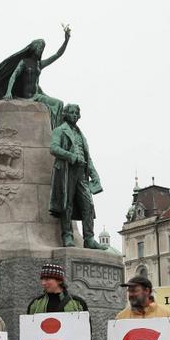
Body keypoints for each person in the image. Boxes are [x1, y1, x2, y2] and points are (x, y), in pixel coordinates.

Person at [0, 28, 71, 128]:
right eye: (39, 47)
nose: (40, 49)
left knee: (59, 103)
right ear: (33, 48)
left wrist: (66, 40)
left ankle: (56, 132)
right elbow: (14, 75)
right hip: (27, 96)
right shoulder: (24, 62)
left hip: (37, 95)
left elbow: (57, 55)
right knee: (55, 104)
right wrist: (8, 92)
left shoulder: (39, 64)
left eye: (42, 48)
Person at [48, 104, 106, 249]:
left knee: (88, 205)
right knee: (66, 203)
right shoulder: (59, 130)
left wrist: (95, 175)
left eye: (76, 113)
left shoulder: (81, 135)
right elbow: (53, 148)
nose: (74, 115)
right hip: (67, 170)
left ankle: (89, 238)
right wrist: (71, 157)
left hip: (82, 173)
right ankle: (67, 235)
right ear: (65, 114)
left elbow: (88, 158)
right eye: (71, 112)